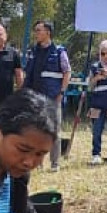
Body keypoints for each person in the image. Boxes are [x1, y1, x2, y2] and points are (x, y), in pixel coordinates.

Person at [23, 20, 71, 171]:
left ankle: (55, 163)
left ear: (48, 32)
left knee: (54, 130)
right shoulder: (33, 51)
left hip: (53, 97)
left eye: (39, 30)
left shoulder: (59, 51)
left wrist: (62, 92)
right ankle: (38, 163)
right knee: (37, 130)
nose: (36, 33)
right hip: (35, 98)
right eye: (35, 30)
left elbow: (67, 72)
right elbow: (28, 74)